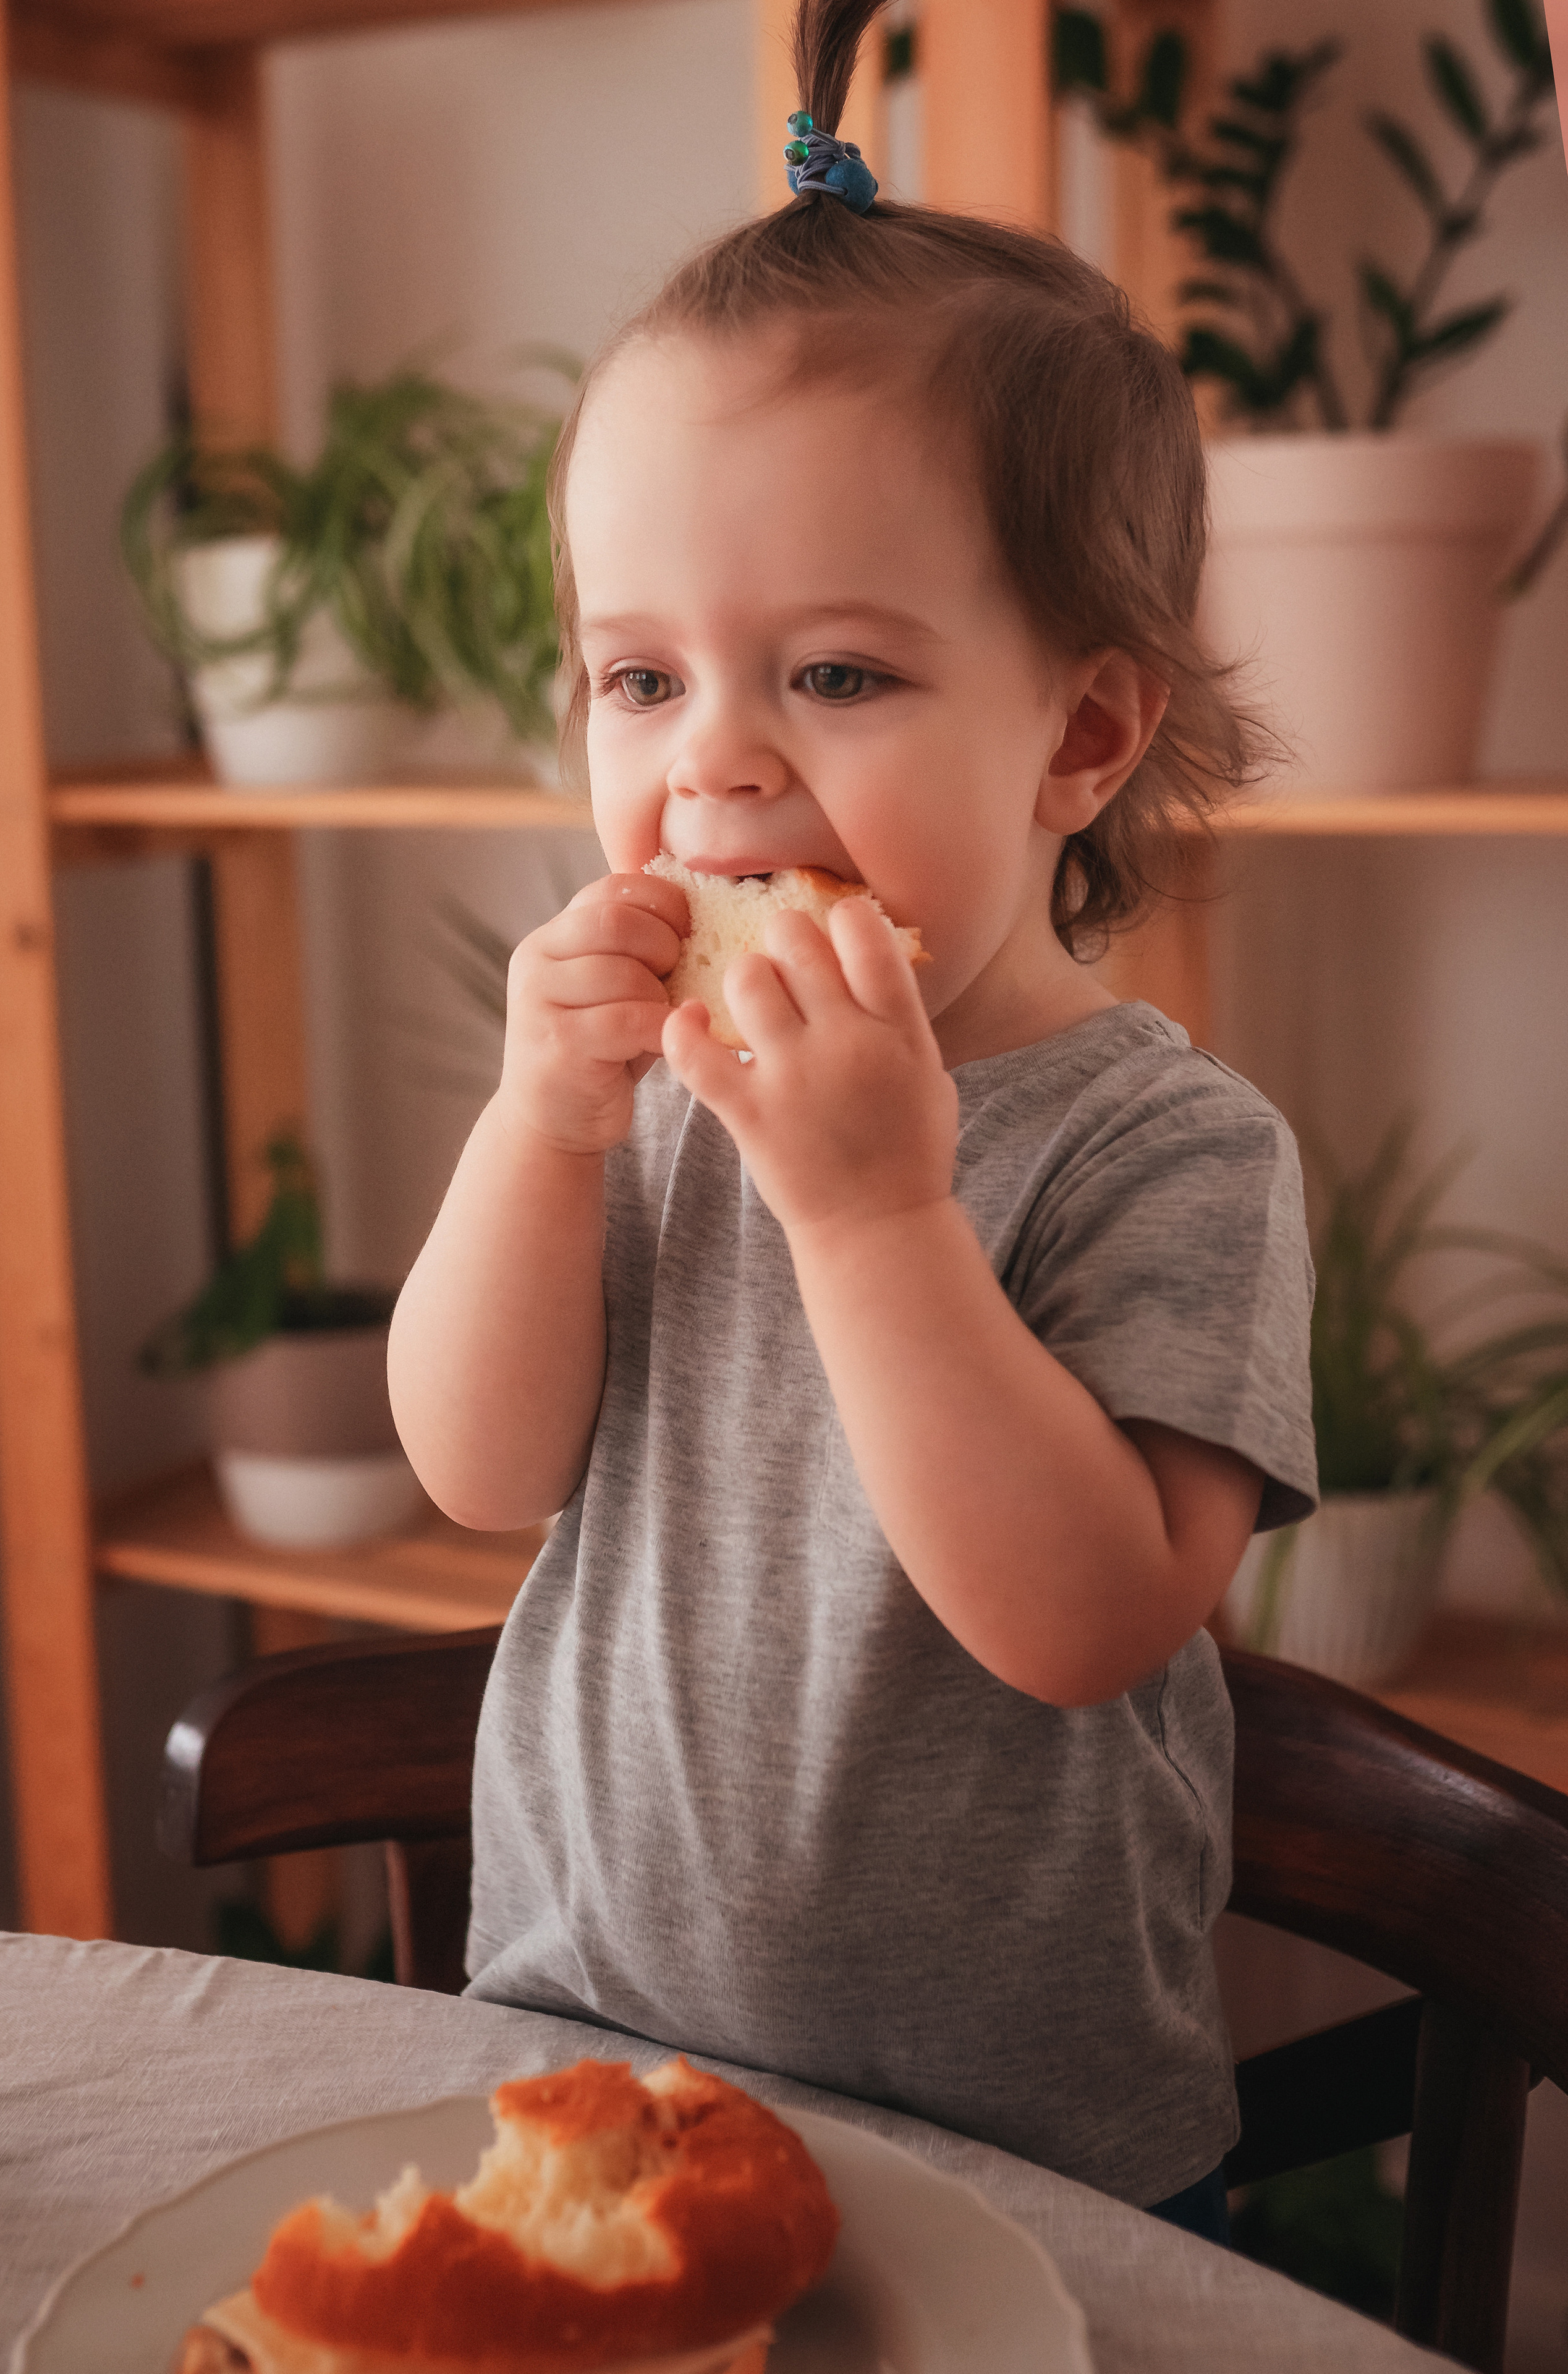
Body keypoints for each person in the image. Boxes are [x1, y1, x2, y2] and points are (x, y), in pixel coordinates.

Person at [387, 0, 1317, 2245]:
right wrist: (534, 1135)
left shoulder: (1163, 1155)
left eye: (835, 674)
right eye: (640, 675)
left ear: (1079, 731)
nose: (712, 764)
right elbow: (476, 1468)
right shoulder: (645, 1097)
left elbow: (1089, 1620)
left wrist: (880, 1213)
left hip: (1014, 2146)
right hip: (586, 2046)